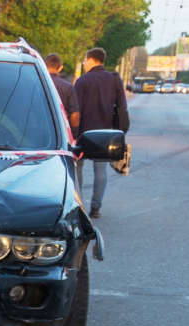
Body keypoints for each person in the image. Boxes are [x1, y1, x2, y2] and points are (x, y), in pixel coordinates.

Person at [72, 47, 130, 219]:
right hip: (105, 133)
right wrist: (121, 131)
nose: (84, 64)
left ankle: (79, 205)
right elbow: (122, 107)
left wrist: (74, 134)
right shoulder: (114, 79)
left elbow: (76, 110)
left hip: (83, 133)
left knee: (78, 169)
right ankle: (96, 207)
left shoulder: (82, 81)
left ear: (91, 59)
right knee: (100, 170)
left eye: (84, 60)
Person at [44, 54, 79, 130]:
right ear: (60, 67)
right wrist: (74, 134)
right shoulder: (68, 87)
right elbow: (74, 115)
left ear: (44, 65)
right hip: (61, 131)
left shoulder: (36, 83)